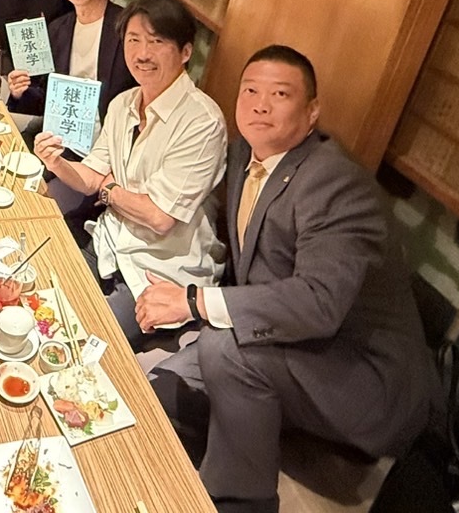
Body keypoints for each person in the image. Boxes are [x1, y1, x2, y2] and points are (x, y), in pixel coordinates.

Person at [143, 47, 438, 513]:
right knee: (159, 388)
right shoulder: (245, 153)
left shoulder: (334, 183)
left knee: (223, 349)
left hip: (360, 375)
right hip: (291, 340)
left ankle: (241, 502)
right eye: (250, 91)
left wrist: (196, 302)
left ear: (312, 111)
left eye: (280, 95)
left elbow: (319, 302)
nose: (260, 105)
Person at [34, 0, 226, 346]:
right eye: (134, 40)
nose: (142, 54)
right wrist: (57, 163)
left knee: (81, 344)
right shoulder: (124, 104)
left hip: (157, 271)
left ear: (185, 52)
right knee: (37, 297)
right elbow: (91, 176)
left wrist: (109, 190)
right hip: (107, 243)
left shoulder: (202, 122)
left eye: (156, 42)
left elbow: (159, 217)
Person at [7, 0, 137, 231]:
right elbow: (46, 100)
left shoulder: (128, 31)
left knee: (39, 214)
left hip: (103, 159)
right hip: (58, 145)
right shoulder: (59, 29)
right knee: (4, 178)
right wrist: (20, 91)